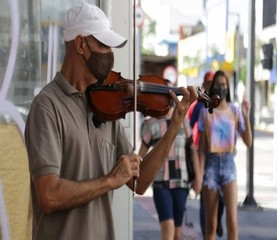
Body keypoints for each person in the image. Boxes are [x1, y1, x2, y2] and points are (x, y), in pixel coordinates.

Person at [24, 3, 197, 240]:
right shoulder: (47, 106)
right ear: (81, 44)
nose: (110, 55)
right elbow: (49, 195)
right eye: (103, 45)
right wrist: (109, 180)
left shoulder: (106, 107)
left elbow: (140, 182)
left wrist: (174, 125)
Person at [198, 70, 252, 240]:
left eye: (224, 85)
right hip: (211, 167)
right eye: (218, 84)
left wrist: (246, 115)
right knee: (211, 224)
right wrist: (199, 175)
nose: (221, 88)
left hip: (229, 166)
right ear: (212, 86)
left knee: (232, 222)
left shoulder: (234, 111)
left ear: (228, 87)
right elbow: (201, 148)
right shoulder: (206, 112)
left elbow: (248, 142)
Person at [138, 95, 201, 240]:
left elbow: (193, 150)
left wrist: (198, 178)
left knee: (177, 233)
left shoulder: (183, 122)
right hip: (161, 183)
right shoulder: (151, 124)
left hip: (181, 182)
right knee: (168, 229)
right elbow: (141, 155)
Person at [186, 70, 225, 238]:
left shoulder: (222, 107)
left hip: (220, 156)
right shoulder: (200, 105)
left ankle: (217, 220)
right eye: (209, 83)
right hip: (200, 150)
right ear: (205, 85)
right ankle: (206, 231)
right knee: (205, 200)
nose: (211, 86)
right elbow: (189, 124)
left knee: (221, 200)